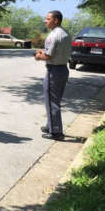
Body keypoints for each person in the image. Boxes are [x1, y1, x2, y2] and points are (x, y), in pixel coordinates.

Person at [34, 10, 71, 140]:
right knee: (55, 100)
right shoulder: (65, 33)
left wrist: (38, 56)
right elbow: (57, 51)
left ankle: (56, 132)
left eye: (48, 19)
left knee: (51, 102)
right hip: (63, 69)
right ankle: (50, 125)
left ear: (56, 20)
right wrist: (44, 52)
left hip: (54, 71)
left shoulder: (53, 35)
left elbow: (48, 56)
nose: (46, 21)